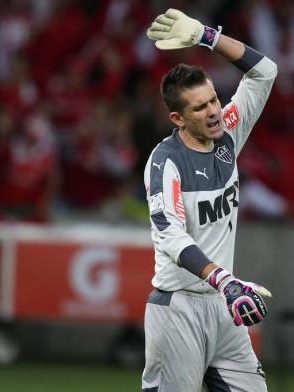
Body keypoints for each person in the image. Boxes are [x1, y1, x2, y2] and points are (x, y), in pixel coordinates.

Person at [142, 9, 277, 392]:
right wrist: (225, 281)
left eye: (213, 99)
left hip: (224, 307)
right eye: (199, 108)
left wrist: (206, 36)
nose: (215, 111)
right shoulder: (165, 161)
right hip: (179, 307)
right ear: (177, 118)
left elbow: (265, 71)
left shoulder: (228, 133)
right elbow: (171, 237)